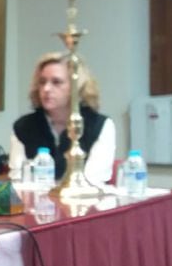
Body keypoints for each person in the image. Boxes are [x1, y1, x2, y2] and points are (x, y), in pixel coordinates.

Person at [9, 53, 116, 185]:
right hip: (35, 202)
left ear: (76, 87)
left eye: (56, 82)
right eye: (42, 82)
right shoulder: (24, 126)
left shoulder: (99, 125)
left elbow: (93, 181)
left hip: (82, 202)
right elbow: (18, 179)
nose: (46, 89)